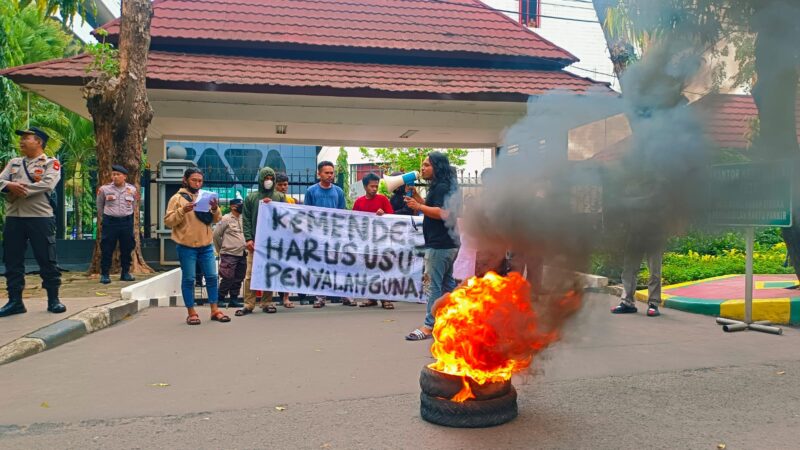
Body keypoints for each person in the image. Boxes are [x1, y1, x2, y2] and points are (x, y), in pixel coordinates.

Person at [0, 127, 66, 317]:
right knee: (12, 261)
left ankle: (54, 299)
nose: (21, 141)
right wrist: (9, 185)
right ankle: (15, 301)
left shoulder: (51, 163)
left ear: (39, 142)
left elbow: (47, 184)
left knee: (47, 258)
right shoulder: (14, 163)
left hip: (40, 218)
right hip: (14, 217)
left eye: (26, 138)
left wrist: (20, 189)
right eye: (21, 139)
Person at [403, 152, 460, 340]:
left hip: (440, 245)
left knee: (433, 285)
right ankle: (451, 321)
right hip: (448, 243)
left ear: (437, 167)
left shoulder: (443, 187)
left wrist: (419, 207)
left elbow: (444, 213)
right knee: (447, 284)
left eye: (427, 165)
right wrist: (418, 199)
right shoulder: (445, 186)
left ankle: (429, 325)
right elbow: (432, 206)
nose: (423, 168)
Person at [164, 168, 228, 325]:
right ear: (185, 180)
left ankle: (215, 310)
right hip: (186, 246)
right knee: (189, 279)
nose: (197, 183)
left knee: (212, 278)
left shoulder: (205, 196)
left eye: (200, 180)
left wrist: (214, 208)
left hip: (206, 245)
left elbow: (216, 219)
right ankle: (191, 312)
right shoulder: (177, 198)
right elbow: (168, 221)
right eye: (194, 180)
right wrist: (182, 211)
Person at [303, 161, 356, 308]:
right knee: (320, 266)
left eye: (332, 172)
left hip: (336, 235)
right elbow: (307, 213)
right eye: (326, 172)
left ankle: (346, 296)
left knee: (341, 265)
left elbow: (342, 212)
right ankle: (320, 297)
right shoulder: (311, 191)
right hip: (318, 235)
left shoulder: (338, 191)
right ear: (319, 174)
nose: (330, 175)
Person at [236, 167, 286, 316]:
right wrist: (249, 239)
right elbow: (246, 220)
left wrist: (273, 206)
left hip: (272, 242)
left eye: (271, 178)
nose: (269, 181)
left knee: (269, 273)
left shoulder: (279, 197)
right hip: (255, 243)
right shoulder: (251, 198)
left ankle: (267, 302)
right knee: (250, 274)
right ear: (261, 180)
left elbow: (283, 217)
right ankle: (248, 304)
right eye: (266, 178)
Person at [352, 172, 395, 309]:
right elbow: (354, 220)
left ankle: (385, 298)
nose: (374, 189)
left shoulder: (382, 199)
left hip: (381, 241)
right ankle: (371, 297)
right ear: (365, 186)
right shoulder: (359, 202)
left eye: (376, 186)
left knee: (383, 269)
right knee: (369, 270)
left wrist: (384, 214)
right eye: (372, 186)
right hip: (366, 242)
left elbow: (393, 217)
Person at [96, 164, 138, 284]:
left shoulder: (132, 189)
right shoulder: (104, 189)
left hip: (126, 221)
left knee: (127, 247)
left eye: (118, 174)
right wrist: (104, 218)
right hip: (110, 222)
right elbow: (99, 205)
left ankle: (125, 272)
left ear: (124, 176)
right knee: (107, 248)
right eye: (113, 174)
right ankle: (105, 274)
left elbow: (134, 204)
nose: (115, 177)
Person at [213, 198, 246, 308]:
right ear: (232, 206)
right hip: (229, 253)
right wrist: (221, 250)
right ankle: (220, 298)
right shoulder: (225, 219)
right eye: (239, 205)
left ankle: (234, 299)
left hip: (242, 253)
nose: (242, 206)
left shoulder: (243, 218)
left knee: (239, 278)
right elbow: (216, 235)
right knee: (227, 277)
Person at [274, 173, 295, 308]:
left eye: (285, 184)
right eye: (280, 185)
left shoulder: (291, 200)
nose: (283, 187)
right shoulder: (269, 200)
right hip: (274, 239)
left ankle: (286, 297)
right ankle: (268, 298)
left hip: (287, 239)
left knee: (287, 268)